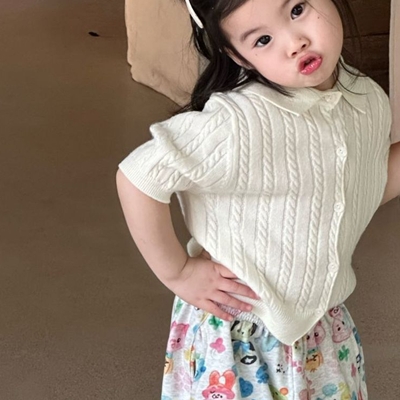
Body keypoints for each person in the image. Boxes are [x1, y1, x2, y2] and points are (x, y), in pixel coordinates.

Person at [116, 0, 400, 398]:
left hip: (321, 328)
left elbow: (357, 186)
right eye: (263, 39)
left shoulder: (365, 99)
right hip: (238, 334)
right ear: (238, 55)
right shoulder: (238, 121)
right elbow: (138, 176)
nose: (295, 42)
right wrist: (178, 272)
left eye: (297, 9)